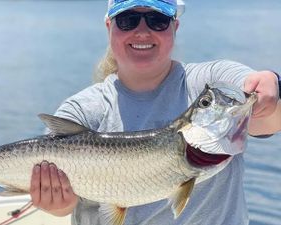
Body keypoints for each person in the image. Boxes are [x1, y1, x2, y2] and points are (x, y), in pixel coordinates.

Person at [28, 0, 281, 224]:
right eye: (127, 21)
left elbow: (267, 116)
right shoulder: (81, 110)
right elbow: (62, 205)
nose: (142, 31)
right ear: (109, 28)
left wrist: (271, 84)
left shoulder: (209, 83)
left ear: (175, 27)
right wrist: (59, 204)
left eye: (157, 20)